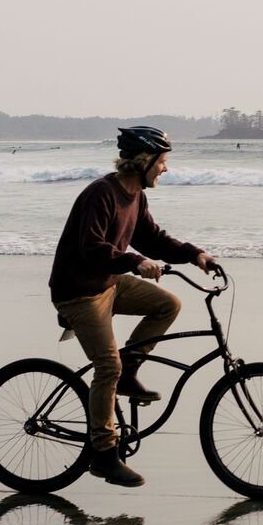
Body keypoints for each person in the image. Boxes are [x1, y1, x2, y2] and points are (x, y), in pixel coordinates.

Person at [48, 125, 216, 488]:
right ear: (143, 161)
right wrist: (134, 262)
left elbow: (154, 238)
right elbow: (92, 248)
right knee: (106, 365)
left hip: (108, 282)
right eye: (163, 161)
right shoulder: (101, 194)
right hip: (78, 290)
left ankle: (130, 372)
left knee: (167, 304)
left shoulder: (136, 195)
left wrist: (195, 254)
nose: (166, 169)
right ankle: (104, 455)